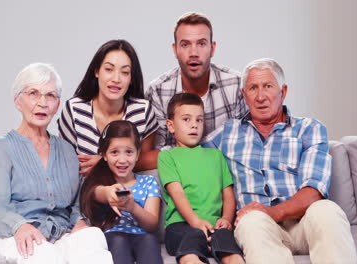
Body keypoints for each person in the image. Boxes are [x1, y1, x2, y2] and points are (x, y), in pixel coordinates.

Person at [203, 58, 357, 263]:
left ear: (283, 92)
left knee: (327, 209)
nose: (260, 96)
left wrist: (272, 211)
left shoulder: (309, 129)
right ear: (244, 96)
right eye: (252, 88)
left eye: (268, 86)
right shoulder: (227, 133)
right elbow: (187, 151)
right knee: (252, 221)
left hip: (303, 223)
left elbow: (313, 192)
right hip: (258, 226)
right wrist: (146, 155)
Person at [0, 63, 113, 263]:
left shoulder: (67, 151)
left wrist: (79, 220)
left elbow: (78, 201)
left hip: (56, 235)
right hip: (8, 235)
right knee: (43, 254)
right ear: (18, 101)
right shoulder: (1, 149)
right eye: (33, 93)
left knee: (93, 236)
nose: (43, 102)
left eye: (50, 95)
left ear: (57, 104)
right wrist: (19, 226)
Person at [158, 93, 244, 264]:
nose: (194, 126)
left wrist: (226, 219)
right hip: (180, 227)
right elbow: (177, 194)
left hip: (214, 228)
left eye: (199, 120)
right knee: (193, 241)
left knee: (229, 247)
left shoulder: (216, 156)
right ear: (171, 125)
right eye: (186, 119)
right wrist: (195, 222)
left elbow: (228, 194)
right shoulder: (167, 157)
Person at [146, 12, 247, 149]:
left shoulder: (236, 85)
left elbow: (246, 145)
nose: (193, 53)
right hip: (177, 170)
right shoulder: (157, 91)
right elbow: (156, 153)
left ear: (212, 48)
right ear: (175, 50)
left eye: (201, 44)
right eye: (185, 45)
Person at [58, 40, 159, 173]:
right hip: (83, 192)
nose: (116, 79)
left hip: (129, 192)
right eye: (109, 69)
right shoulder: (74, 109)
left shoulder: (143, 111)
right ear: (97, 71)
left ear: (131, 78)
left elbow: (142, 167)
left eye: (125, 72)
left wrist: (103, 164)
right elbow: (65, 166)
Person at [79, 120, 163, 264]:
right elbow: (95, 192)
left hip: (142, 235)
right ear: (104, 155)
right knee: (118, 241)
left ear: (137, 155)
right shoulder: (101, 182)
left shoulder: (148, 182)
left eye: (129, 152)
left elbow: (152, 224)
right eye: (114, 152)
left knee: (149, 240)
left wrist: (133, 208)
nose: (122, 160)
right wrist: (108, 193)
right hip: (113, 236)